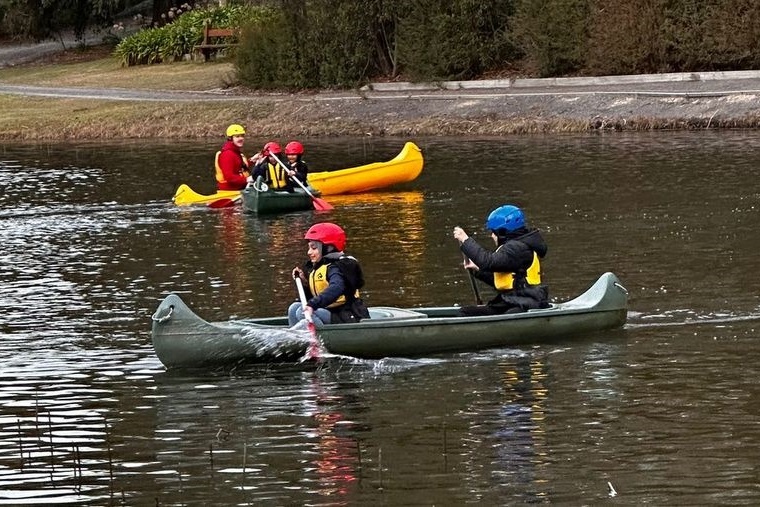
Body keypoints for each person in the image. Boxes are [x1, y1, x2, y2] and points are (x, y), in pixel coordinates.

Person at [452, 204, 549, 316]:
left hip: (525, 304)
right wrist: (478, 270)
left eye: (493, 233)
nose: (492, 236)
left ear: (502, 233)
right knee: (465, 312)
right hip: (511, 301)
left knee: (510, 316)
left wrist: (465, 240)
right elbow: (503, 280)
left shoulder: (518, 249)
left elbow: (488, 262)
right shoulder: (515, 247)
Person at [288, 222, 370, 327]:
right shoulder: (319, 267)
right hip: (330, 312)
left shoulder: (337, 268)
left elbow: (336, 288)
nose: (309, 252)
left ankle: (320, 340)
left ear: (329, 248)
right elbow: (317, 294)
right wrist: (305, 283)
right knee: (294, 308)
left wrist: (312, 305)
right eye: (309, 248)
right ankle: (298, 339)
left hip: (346, 316)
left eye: (313, 248)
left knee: (302, 312)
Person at [215, 124, 253, 191]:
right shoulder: (227, 154)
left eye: (242, 136)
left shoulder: (235, 151)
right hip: (230, 190)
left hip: (239, 188)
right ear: (230, 138)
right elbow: (229, 177)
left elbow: (239, 167)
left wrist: (252, 160)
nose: (241, 138)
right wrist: (247, 179)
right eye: (237, 136)